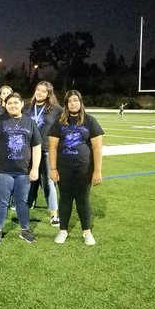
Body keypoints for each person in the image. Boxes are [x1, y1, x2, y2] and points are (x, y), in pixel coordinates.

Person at [0, 93, 42, 245]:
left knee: (22, 202)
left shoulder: (29, 122)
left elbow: (36, 146)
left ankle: (25, 230)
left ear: (22, 104)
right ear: (5, 105)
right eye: (9, 103)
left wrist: (35, 168)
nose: (13, 105)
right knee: (1, 202)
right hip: (3, 170)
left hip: (24, 170)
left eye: (16, 102)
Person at [49, 90, 104, 246]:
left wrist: (97, 170)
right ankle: (63, 230)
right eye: (69, 101)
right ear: (66, 104)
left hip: (84, 169)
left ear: (80, 102)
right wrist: (53, 169)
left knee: (83, 199)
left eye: (75, 100)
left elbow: (97, 148)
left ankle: (86, 231)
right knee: (65, 198)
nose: (73, 103)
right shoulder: (60, 122)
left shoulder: (90, 121)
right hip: (64, 168)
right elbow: (52, 147)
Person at [25, 81, 63, 226]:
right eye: (38, 89)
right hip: (29, 149)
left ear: (48, 94)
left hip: (46, 150)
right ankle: (26, 208)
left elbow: (65, 125)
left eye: (43, 91)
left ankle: (54, 214)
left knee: (48, 182)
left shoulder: (56, 109)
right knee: (29, 180)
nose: (40, 93)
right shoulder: (28, 107)